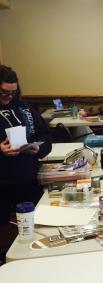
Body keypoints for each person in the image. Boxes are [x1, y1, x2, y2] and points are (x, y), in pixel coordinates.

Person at [0, 65, 52, 224]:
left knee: (34, 226)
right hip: (2, 184)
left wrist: (38, 147)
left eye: (13, 92)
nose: (9, 97)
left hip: (29, 181)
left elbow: (46, 135)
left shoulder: (25, 108)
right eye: (4, 92)